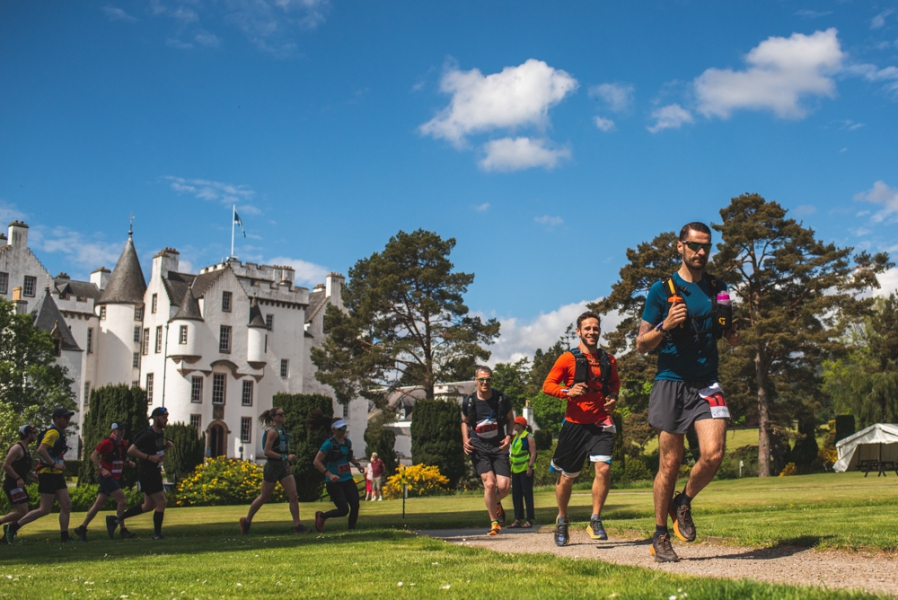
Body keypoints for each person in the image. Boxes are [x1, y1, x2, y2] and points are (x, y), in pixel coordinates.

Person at [636, 222, 740, 563]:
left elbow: (725, 332)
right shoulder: (660, 290)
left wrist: (734, 335)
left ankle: (683, 502)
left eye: (706, 246)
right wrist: (666, 326)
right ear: (679, 247)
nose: (701, 252)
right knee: (670, 461)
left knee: (713, 454)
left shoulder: (717, 288)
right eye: (694, 246)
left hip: (707, 381)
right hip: (671, 381)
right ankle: (659, 535)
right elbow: (641, 345)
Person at [543, 311, 620, 547]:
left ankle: (595, 519)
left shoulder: (609, 359)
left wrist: (614, 398)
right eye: (587, 328)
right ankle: (563, 520)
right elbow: (548, 385)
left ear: (599, 331)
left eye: (595, 328)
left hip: (601, 422)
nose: (591, 332)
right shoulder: (567, 359)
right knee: (567, 478)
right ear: (578, 331)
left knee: (603, 469)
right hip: (575, 425)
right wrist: (568, 391)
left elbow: (615, 385)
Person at [5, 408, 76, 544]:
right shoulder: (53, 433)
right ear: (56, 419)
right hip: (48, 474)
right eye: (65, 418)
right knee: (44, 509)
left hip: (56, 474)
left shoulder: (58, 433)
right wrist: (54, 464)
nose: (67, 420)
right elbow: (41, 450)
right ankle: (12, 528)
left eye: (68, 418)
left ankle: (65, 538)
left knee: (66, 505)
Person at [239, 407, 311, 535]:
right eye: (280, 414)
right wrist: (285, 457)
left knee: (293, 495)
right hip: (273, 466)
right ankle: (247, 521)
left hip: (283, 467)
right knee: (264, 497)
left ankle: (297, 526)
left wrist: (286, 460)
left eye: (284, 414)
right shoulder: (272, 432)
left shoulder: (282, 430)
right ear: (273, 417)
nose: (283, 416)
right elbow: (267, 452)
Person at [461, 366, 514, 536]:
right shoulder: (469, 401)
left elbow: (510, 419)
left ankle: (495, 502)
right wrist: (465, 440)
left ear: (492, 380)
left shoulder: (501, 399)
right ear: (476, 380)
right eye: (482, 380)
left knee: (504, 487)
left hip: (499, 445)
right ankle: (494, 522)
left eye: (488, 380)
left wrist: (508, 437)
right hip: (479, 446)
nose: (485, 383)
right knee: (490, 483)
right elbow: (464, 422)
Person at [108, 407, 174, 540]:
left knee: (148, 505)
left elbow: (154, 449)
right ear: (155, 418)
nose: (166, 419)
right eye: (163, 417)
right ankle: (157, 534)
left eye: (166, 417)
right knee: (162, 502)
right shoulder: (148, 434)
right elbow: (131, 450)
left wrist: (164, 447)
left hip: (153, 470)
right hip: (147, 471)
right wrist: (149, 457)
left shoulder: (159, 434)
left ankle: (115, 520)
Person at [73, 422, 137, 541]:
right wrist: (102, 469)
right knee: (122, 501)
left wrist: (129, 462)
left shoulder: (123, 443)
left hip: (115, 477)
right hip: (107, 477)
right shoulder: (107, 442)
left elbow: (120, 458)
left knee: (98, 504)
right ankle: (122, 529)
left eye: (123, 429)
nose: (122, 431)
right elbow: (93, 456)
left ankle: (82, 528)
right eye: (119, 429)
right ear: (113, 431)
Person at [310, 414, 364, 532]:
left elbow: (349, 457)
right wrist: (329, 474)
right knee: (343, 510)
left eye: (344, 428)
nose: (343, 431)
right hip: (334, 482)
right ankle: (322, 516)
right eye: (340, 429)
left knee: (355, 505)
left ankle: (351, 530)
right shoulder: (328, 444)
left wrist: (358, 465)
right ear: (333, 430)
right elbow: (316, 461)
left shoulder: (347, 442)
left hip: (347, 479)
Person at [1, 425, 38, 531]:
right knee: (23, 512)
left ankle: (8, 533)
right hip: (13, 484)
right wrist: (18, 478)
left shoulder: (25, 449)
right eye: (33, 433)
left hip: (18, 485)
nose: (34, 435)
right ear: (28, 434)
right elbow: (6, 465)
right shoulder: (17, 448)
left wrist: (31, 473)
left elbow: (21, 466)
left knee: (20, 512)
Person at [507, 416, 536, 529]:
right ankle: (518, 519)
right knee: (516, 495)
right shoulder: (515, 438)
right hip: (515, 470)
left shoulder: (528, 437)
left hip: (525, 469)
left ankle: (529, 519)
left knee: (527, 494)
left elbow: (533, 453)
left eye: (515, 423)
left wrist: (530, 467)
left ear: (521, 425)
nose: (513, 425)